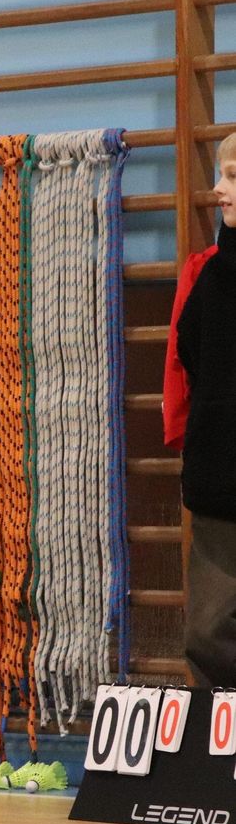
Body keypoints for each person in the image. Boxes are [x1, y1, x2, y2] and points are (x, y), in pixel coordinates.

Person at [165, 134, 236, 688]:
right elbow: (186, 362)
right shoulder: (207, 276)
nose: (217, 189)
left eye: (232, 176)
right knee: (208, 633)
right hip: (222, 486)